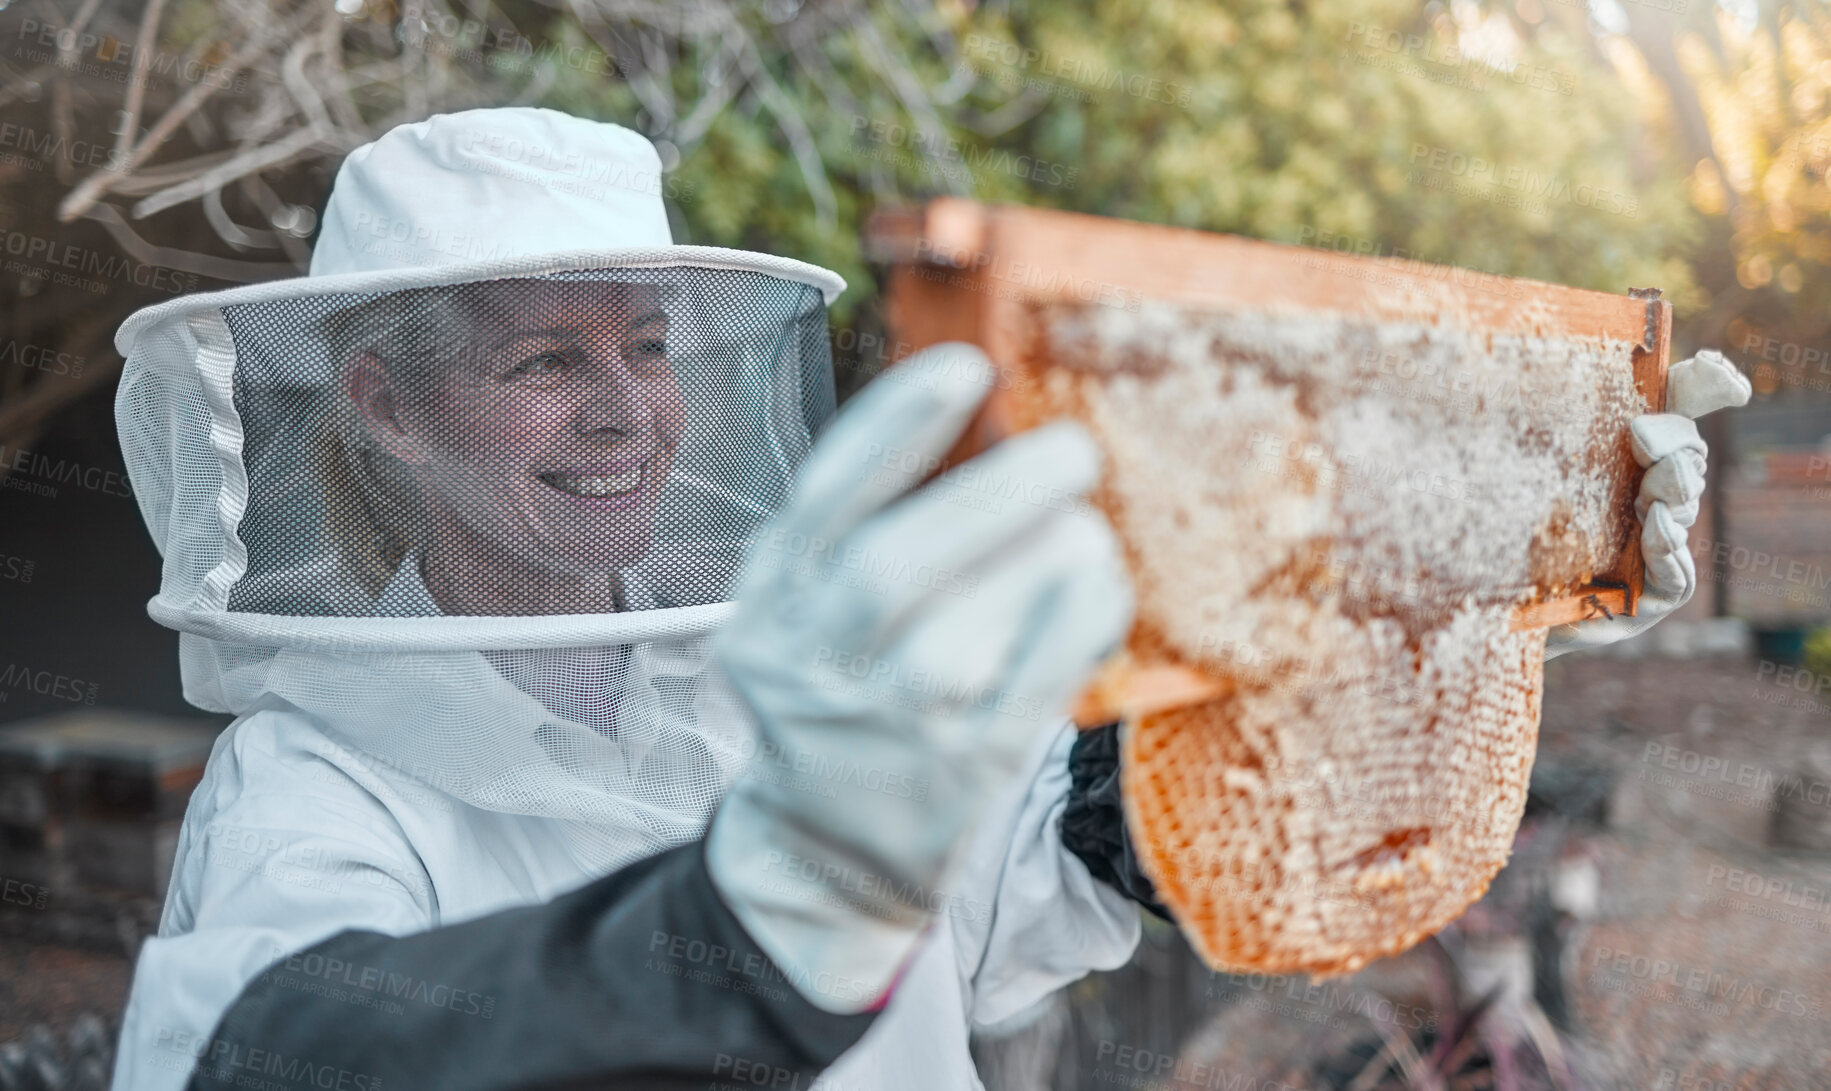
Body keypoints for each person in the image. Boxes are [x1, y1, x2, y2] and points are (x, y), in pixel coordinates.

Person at [104, 106, 1741, 1091]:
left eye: (649, 347)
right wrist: (766, 911)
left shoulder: (769, 676)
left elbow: (1090, 842)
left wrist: (1455, 593)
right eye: (546, 359)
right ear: (387, 405)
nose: (624, 411)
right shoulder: (313, 785)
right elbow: (280, 1056)